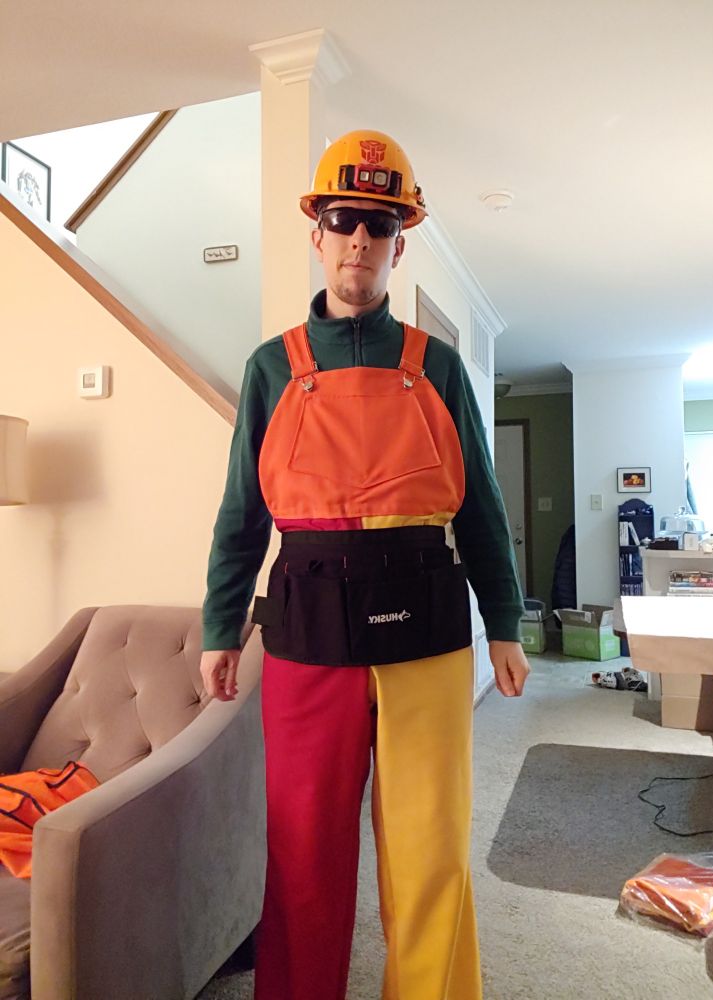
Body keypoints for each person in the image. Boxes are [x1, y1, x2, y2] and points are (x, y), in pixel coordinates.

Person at [199, 129, 530, 1000]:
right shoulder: (272, 369)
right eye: (344, 219)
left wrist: (505, 624)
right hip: (306, 635)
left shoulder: (440, 366)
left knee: (431, 849)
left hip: (427, 633)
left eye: (377, 225)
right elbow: (241, 516)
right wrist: (219, 627)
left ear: (398, 242)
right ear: (318, 230)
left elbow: (484, 509)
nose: (359, 240)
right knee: (304, 853)